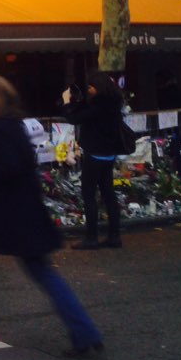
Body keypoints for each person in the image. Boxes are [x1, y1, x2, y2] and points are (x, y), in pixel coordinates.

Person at [0, 75, 103, 358]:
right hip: (24, 211)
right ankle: (85, 332)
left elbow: (4, 168)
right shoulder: (13, 125)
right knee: (44, 274)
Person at [61, 72, 126, 250]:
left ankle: (91, 237)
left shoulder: (97, 105)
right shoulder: (114, 103)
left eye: (91, 87)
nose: (89, 89)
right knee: (108, 193)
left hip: (95, 154)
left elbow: (74, 118)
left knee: (89, 194)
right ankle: (114, 236)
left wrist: (67, 102)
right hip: (109, 154)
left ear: (99, 87)